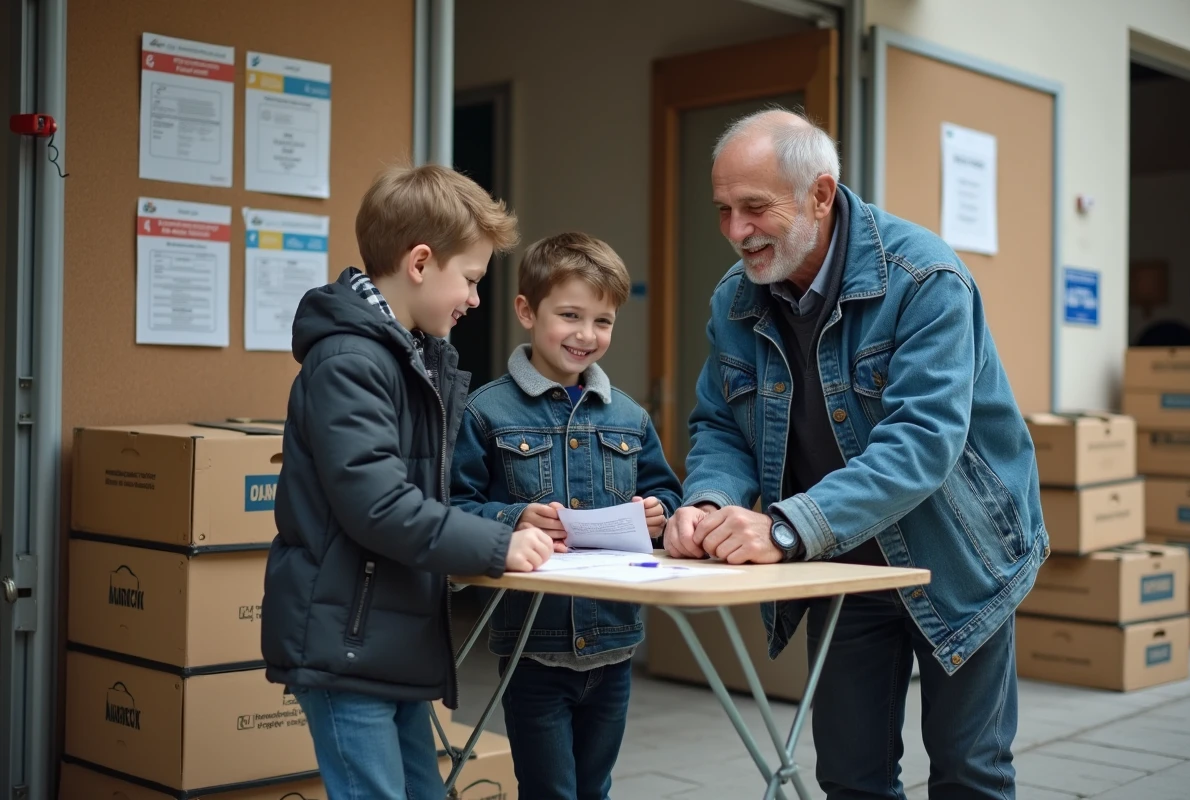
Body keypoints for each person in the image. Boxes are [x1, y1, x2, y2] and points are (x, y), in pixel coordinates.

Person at [663, 109, 1047, 800]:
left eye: (754, 208)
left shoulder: (925, 278)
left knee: (969, 775)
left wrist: (782, 527)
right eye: (722, 209)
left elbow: (922, 443)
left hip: (956, 557)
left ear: (820, 193)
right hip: (841, 565)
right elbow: (722, 424)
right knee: (850, 777)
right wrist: (709, 500)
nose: (734, 231)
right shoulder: (733, 300)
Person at [260, 164, 556, 800]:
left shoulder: (412, 358)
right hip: (348, 647)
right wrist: (492, 545)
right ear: (420, 262)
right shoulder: (350, 361)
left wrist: (505, 522)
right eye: (472, 279)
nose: (476, 299)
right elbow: (378, 503)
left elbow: (429, 493)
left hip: (386, 640)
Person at [452, 232, 683, 800]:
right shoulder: (485, 411)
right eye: (570, 315)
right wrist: (513, 517)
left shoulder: (630, 417)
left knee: (595, 788)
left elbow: (669, 497)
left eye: (602, 321)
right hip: (532, 646)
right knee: (549, 790)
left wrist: (661, 511)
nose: (586, 335)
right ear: (527, 311)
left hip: (615, 642)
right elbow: (453, 510)